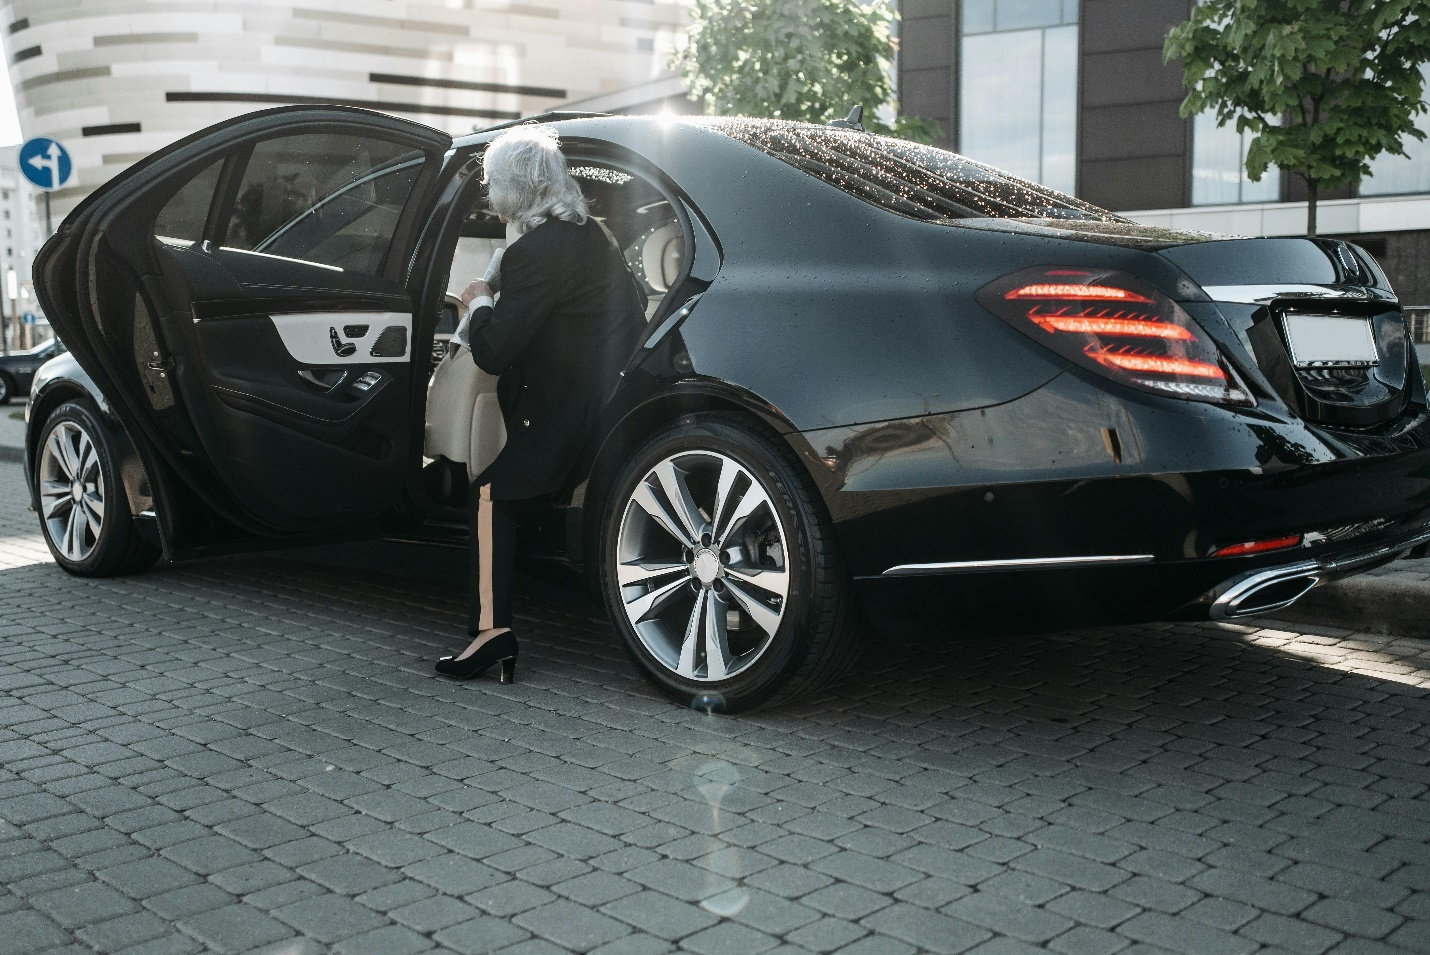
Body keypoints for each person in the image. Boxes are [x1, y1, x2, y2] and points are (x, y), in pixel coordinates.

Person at [435, 126, 647, 683]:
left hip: (565, 412)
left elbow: (498, 351)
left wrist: (477, 304)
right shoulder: (590, 236)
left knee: (489, 497)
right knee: (503, 492)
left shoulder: (533, 254)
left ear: (511, 188)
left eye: (494, 183)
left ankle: (492, 633)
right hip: (609, 400)